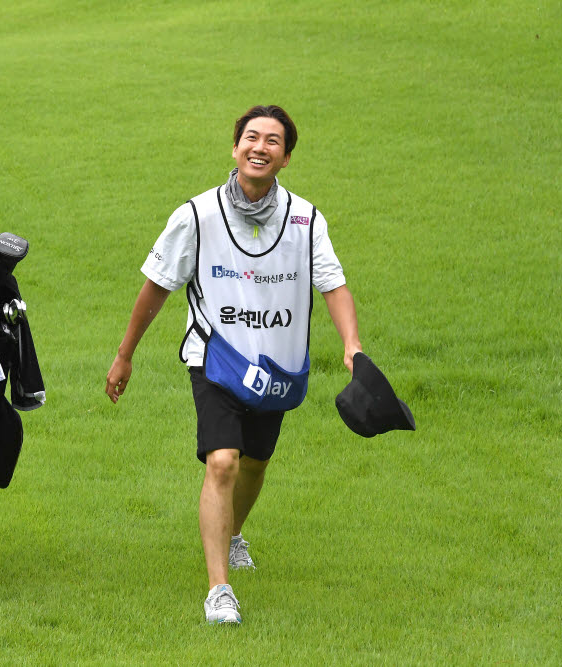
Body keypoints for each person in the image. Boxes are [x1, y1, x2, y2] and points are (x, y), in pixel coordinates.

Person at [105, 105, 361, 624]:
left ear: (286, 156)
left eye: (272, 141)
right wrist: (124, 354)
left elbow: (332, 283)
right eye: (250, 137)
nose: (259, 147)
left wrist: (351, 345)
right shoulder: (196, 215)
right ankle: (219, 589)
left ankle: (234, 532)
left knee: (255, 463)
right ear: (235, 147)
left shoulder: (306, 219)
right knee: (222, 461)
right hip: (215, 357)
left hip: (278, 365)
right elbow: (157, 285)